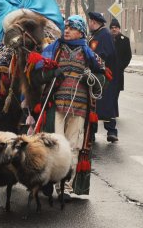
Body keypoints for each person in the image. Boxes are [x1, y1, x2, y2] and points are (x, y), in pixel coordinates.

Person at [35, 15, 107, 196]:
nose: (66, 30)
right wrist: (52, 73)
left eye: (71, 28)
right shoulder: (53, 50)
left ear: (81, 32)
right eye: (65, 27)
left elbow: (103, 77)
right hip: (56, 105)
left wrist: (90, 77)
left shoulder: (89, 54)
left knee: (73, 147)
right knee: (55, 145)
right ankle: (51, 180)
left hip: (80, 107)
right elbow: (36, 75)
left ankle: (65, 186)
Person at [87, 11, 118, 143]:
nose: (88, 24)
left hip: (103, 75)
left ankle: (111, 131)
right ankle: (92, 133)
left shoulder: (103, 35)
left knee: (105, 105)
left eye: (90, 22)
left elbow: (103, 54)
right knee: (94, 105)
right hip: (97, 74)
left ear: (94, 22)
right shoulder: (97, 34)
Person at [109, 18, 131, 122]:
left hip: (118, 72)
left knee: (116, 92)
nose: (114, 29)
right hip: (108, 71)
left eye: (116, 27)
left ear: (119, 28)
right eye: (112, 28)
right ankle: (111, 112)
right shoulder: (107, 39)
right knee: (109, 92)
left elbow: (128, 56)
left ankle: (113, 111)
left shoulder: (124, 40)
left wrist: (121, 66)